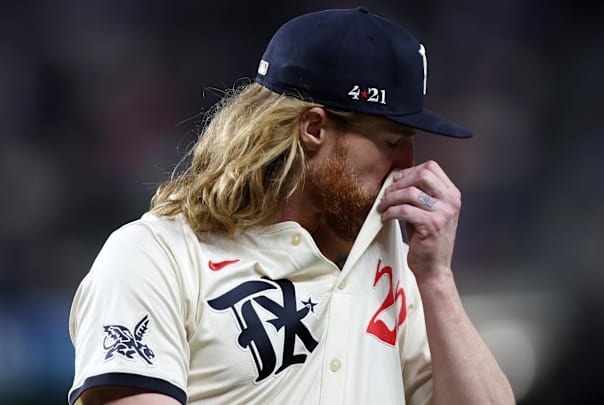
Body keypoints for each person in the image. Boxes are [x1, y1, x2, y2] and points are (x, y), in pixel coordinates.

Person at [68, 7, 514, 405]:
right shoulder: (156, 257)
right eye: (391, 142)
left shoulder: (393, 264)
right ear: (314, 129)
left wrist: (436, 279)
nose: (407, 167)